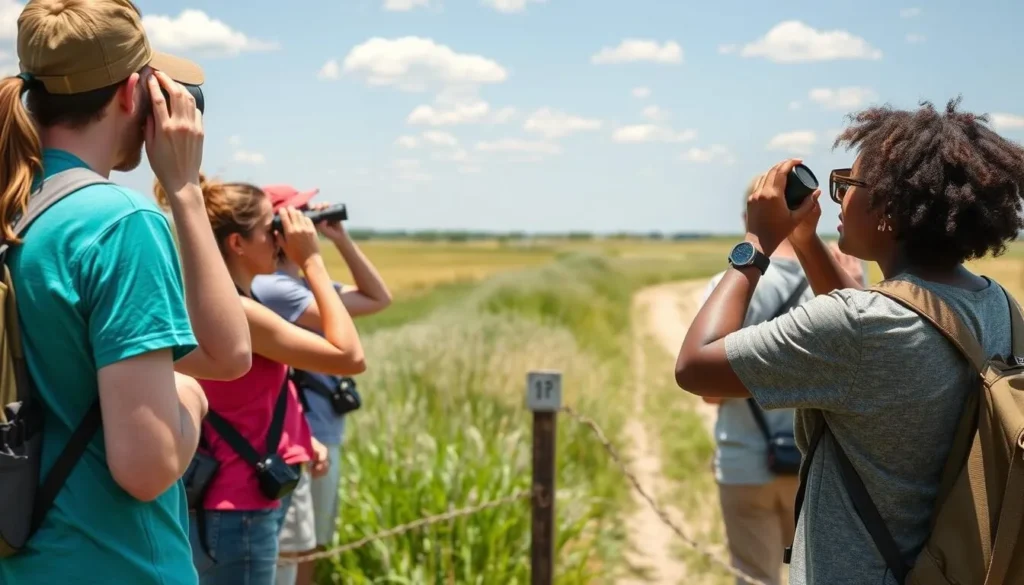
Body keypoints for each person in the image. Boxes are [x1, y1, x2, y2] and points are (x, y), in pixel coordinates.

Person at [674, 98, 1024, 585]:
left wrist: (755, 244)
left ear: (889, 209)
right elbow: (874, 328)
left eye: (848, 185)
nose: (838, 198)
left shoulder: (861, 328)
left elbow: (694, 366)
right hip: (956, 567)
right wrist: (804, 239)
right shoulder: (1000, 306)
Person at [0, 1, 252, 584]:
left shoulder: (18, 210)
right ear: (131, 94)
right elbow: (146, 468)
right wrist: (186, 396)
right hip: (115, 562)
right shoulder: (119, 223)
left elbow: (225, 350)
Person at [153, 177, 366, 585]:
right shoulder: (240, 314)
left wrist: (303, 437)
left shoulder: (212, 305)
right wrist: (312, 262)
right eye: (271, 230)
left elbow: (247, 399)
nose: (280, 241)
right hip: (240, 505)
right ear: (237, 243)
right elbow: (350, 356)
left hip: (224, 498)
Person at [250, 186, 392, 585]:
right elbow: (350, 351)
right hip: (304, 431)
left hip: (316, 431)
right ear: (277, 227)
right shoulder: (275, 287)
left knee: (307, 545)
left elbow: (378, 298)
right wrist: (312, 257)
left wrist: (339, 238)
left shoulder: (300, 285)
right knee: (296, 548)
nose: (309, 221)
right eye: (300, 214)